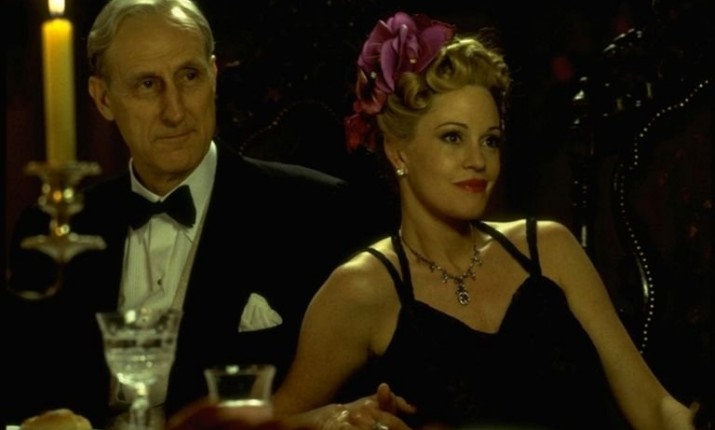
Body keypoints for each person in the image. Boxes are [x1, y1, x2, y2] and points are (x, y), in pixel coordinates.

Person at [263, 11, 697, 430]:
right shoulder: (361, 289)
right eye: (453, 137)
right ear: (398, 151)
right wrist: (326, 420)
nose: (478, 160)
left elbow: (654, 406)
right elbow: (264, 422)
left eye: (490, 141)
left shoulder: (549, 248)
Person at [0, 0, 388, 427]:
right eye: (147, 84)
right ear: (103, 98)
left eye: (189, 76)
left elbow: (356, 397)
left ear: (214, 75)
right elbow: (22, 395)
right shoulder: (51, 231)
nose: (175, 112)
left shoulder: (319, 213)